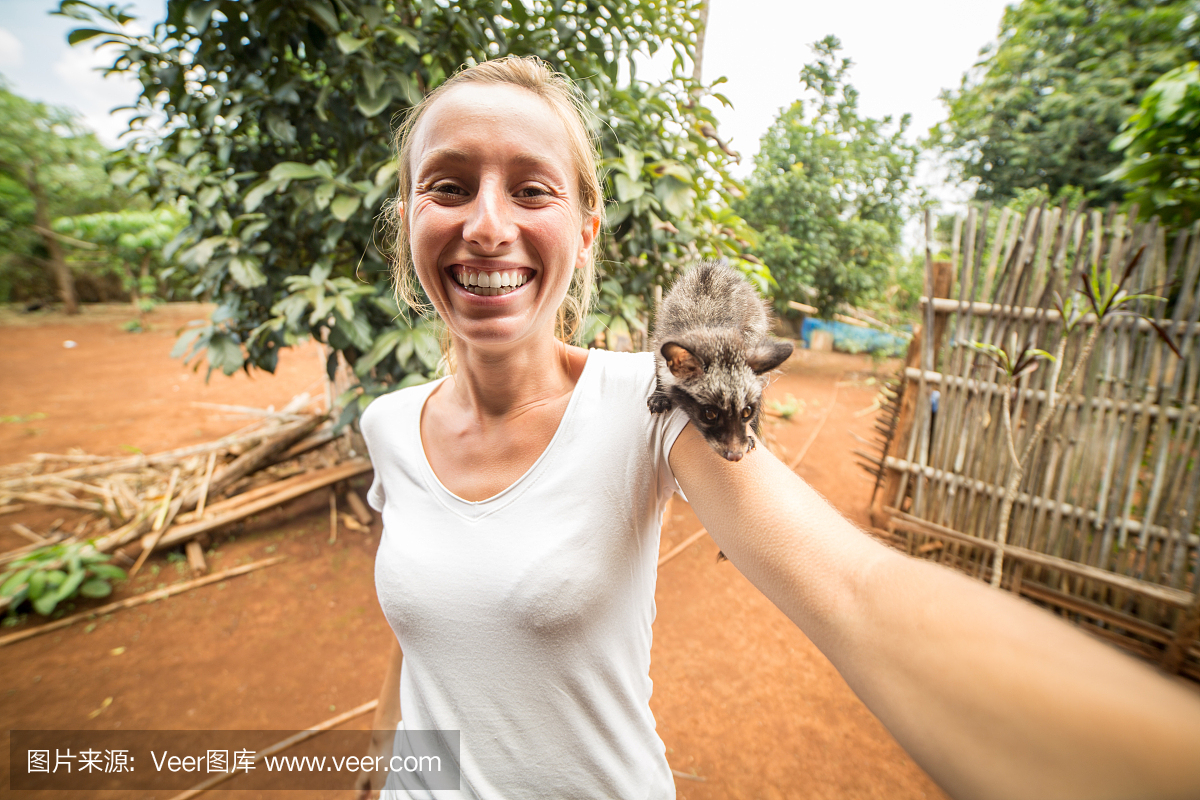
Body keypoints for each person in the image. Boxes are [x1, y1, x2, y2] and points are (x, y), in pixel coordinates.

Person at [355, 56, 1200, 800]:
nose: (489, 224)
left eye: (531, 188)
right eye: (449, 184)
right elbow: (423, 631)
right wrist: (386, 765)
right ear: (408, 216)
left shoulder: (653, 400)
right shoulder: (388, 425)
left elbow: (855, 593)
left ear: (584, 230)